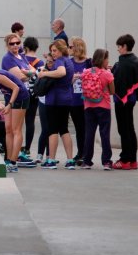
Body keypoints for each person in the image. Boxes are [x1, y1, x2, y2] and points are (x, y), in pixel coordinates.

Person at [38, 39, 76, 169]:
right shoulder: (69, 61)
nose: (53, 53)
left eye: (55, 50)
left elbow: (61, 72)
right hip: (66, 98)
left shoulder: (60, 61)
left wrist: (44, 73)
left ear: (61, 50)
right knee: (64, 129)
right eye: (52, 51)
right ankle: (70, 159)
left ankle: (51, 160)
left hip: (54, 100)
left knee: (53, 129)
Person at [1, 33, 36, 167]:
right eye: (12, 43)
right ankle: (9, 159)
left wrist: (26, 72)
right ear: (7, 45)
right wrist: (29, 73)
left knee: (16, 129)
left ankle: (14, 161)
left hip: (21, 96)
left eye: (17, 42)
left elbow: (28, 73)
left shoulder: (21, 56)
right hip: (9, 96)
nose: (15, 45)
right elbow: (20, 76)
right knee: (9, 129)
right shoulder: (8, 59)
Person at [112, 34, 138, 170]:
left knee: (123, 129)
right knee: (130, 128)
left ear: (125, 46)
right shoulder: (137, 61)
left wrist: (111, 72)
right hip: (131, 100)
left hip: (122, 100)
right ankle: (133, 160)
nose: (118, 49)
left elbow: (118, 81)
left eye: (119, 47)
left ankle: (124, 159)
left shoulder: (123, 63)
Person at [81, 49, 115, 170]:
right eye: (107, 59)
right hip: (103, 106)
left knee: (89, 133)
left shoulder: (86, 72)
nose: (108, 61)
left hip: (88, 106)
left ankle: (86, 161)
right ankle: (106, 161)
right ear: (103, 60)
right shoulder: (107, 74)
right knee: (104, 134)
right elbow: (112, 91)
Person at [69, 37, 92, 165]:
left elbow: (95, 78)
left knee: (87, 128)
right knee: (79, 128)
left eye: (71, 47)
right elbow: (66, 81)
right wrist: (73, 78)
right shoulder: (69, 62)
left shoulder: (89, 62)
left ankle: (86, 154)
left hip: (87, 100)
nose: (69, 49)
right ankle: (80, 153)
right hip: (74, 100)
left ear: (78, 47)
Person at [22, 36, 44, 159]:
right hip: (34, 94)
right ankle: (27, 149)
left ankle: (17, 147)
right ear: (36, 47)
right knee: (30, 121)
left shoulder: (21, 59)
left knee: (18, 123)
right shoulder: (40, 62)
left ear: (25, 47)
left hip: (21, 93)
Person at [36, 52, 54, 163]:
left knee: (51, 130)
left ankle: (49, 155)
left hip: (53, 103)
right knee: (45, 129)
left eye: (51, 61)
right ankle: (39, 154)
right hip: (43, 102)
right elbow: (35, 84)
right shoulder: (41, 70)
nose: (49, 63)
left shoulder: (57, 72)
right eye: (48, 61)